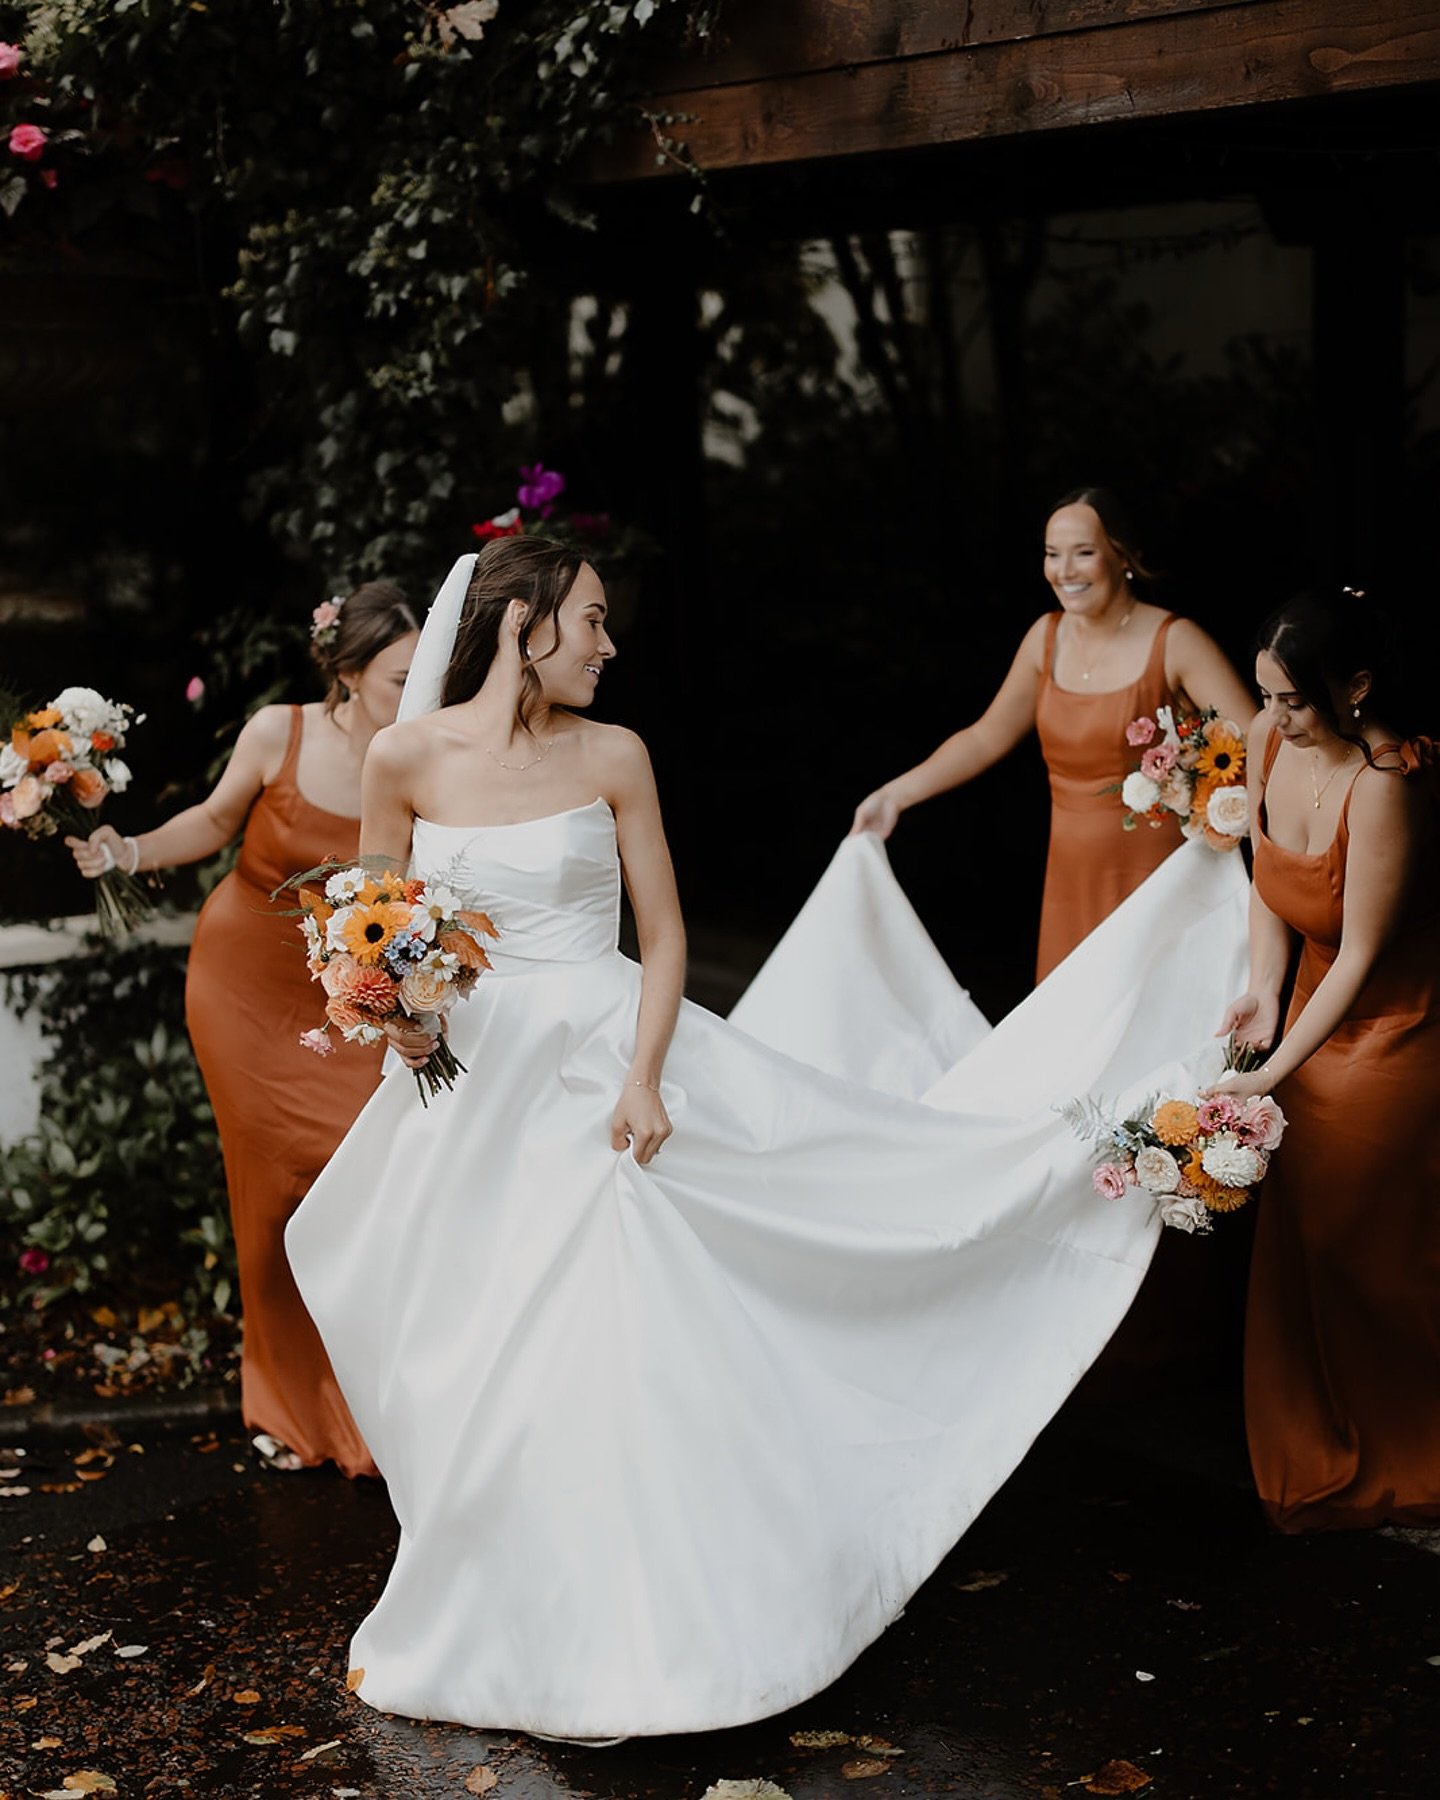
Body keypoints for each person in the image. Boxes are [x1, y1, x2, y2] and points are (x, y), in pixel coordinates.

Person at [284, 539, 1249, 1739]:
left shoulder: (616, 754)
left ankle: (639, 1633)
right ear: (526, 625)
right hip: (474, 1086)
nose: (608, 643)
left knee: (604, 1349)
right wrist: (398, 1020)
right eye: (590, 621)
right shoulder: (405, 757)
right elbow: (369, 921)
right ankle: (501, 1605)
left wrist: (642, 1076)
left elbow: (668, 934)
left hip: (600, 1070)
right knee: (477, 1354)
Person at [68, 582, 420, 1477]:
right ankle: (283, 1404)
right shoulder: (280, 732)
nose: (413, 699)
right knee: (268, 1202)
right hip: (243, 990)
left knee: (361, 1184)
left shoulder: (421, 757)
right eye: (397, 680)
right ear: (344, 673)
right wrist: (126, 851)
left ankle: (379, 1400)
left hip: (345, 1000)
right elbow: (216, 822)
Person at [1204, 589, 1440, 1532]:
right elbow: (1267, 873)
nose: (1273, 718)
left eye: (1293, 701)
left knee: (1366, 1242)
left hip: (1395, 1025)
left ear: (1356, 689)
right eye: (1263, 696)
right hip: (1307, 1003)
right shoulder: (1268, 742)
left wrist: (1267, 1075)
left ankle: (1411, 1439)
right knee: (1308, 1234)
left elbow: (1361, 957)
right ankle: (1321, 1433)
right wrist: (1264, 989)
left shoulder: (1384, 786)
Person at [851, 487, 1254, 982]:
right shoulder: (1046, 638)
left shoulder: (1176, 641)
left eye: (1083, 553)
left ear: (1121, 556)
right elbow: (984, 737)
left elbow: (1259, 739)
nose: (1064, 571)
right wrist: (895, 795)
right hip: (1069, 883)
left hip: (1159, 881)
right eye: (1051, 554)